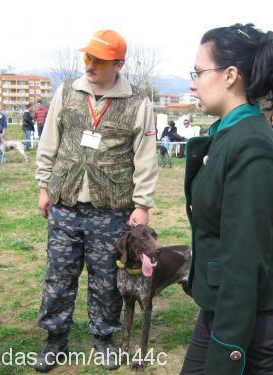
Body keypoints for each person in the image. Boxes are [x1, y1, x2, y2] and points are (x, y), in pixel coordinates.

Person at [34, 29, 158, 372]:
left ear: (118, 63)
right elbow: (50, 141)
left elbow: (146, 156)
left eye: (99, 60)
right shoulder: (67, 91)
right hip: (65, 203)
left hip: (111, 208)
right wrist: (44, 186)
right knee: (58, 275)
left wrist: (143, 204)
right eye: (87, 57)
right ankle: (55, 340)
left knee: (106, 279)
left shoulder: (138, 102)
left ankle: (103, 338)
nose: (89, 65)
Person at [181, 23, 273, 374]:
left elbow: (245, 257)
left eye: (199, 72)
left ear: (230, 75)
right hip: (226, 302)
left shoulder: (250, 144)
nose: (193, 83)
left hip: (248, 309)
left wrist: (228, 347)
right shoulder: (230, 134)